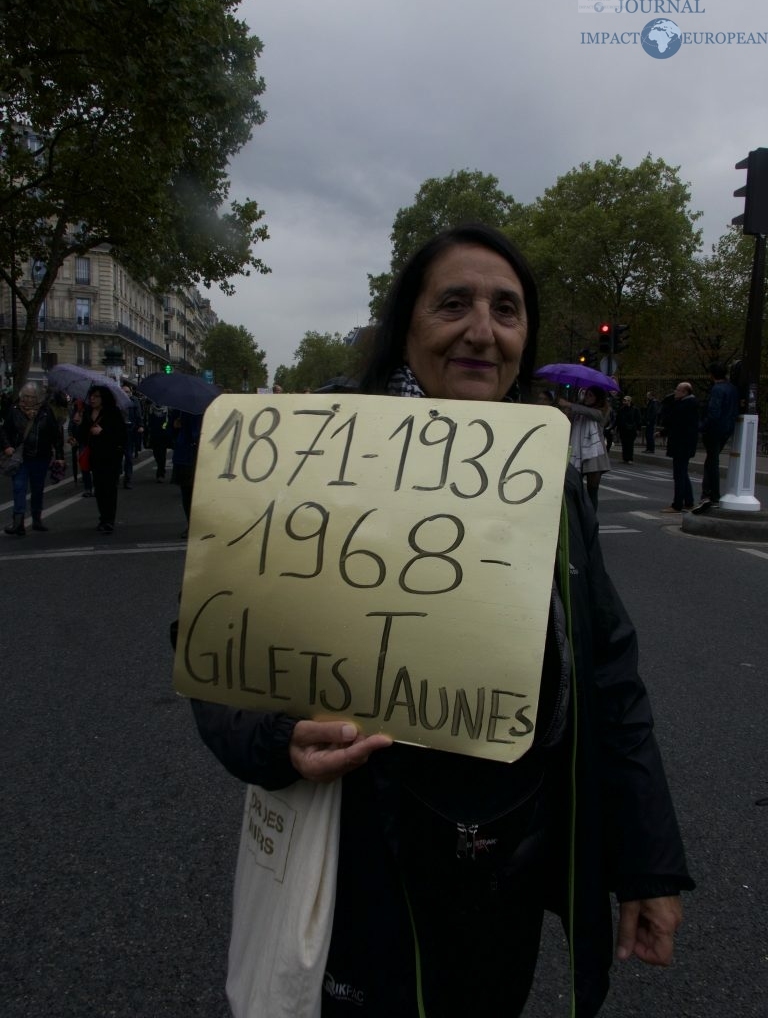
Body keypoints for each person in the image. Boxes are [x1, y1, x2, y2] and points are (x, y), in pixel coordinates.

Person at [189, 224, 693, 1018]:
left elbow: (610, 677)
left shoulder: (552, 484)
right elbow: (218, 642)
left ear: (524, 339)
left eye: (507, 310)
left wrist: (647, 865)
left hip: (507, 869)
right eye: (452, 303)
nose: (481, 331)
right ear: (407, 326)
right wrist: (275, 737)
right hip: (368, 860)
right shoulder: (314, 450)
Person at [1, 383, 65, 535]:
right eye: (25, 397)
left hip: (40, 457)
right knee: (19, 487)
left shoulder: (45, 412)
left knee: (37, 489)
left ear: (37, 398)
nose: (28, 400)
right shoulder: (14, 411)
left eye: (31, 397)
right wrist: (7, 446)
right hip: (20, 457)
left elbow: (56, 435)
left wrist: (60, 456)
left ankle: (37, 519)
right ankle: (18, 522)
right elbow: (4, 431)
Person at [558, 385, 611, 513]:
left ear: (598, 398)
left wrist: (570, 404)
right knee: (573, 487)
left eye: (590, 395)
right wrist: (567, 412)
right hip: (577, 452)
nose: (587, 397)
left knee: (593, 490)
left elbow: (593, 414)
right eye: (586, 394)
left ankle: (591, 519)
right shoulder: (578, 410)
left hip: (595, 455)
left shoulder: (601, 411)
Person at [81, 385, 126, 533]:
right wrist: (78, 424)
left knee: (110, 489)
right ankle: (103, 517)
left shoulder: (113, 412)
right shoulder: (87, 412)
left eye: (96, 396)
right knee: (99, 489)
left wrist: (103, 431)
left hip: (111, 456)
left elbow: (121, 435)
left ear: (103, 398)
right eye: (91, 396)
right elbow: (82, 434)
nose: (92, 399)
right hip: (95, 456)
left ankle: (109, 520)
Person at [696, 362, 739, 511]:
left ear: (712, 375)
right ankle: (711, 495)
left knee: (711, 462)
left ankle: (710, 495)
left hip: (715, 429)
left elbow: (714, 412)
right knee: (712, 460)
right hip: (727, 428)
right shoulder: (733, 388)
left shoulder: (717, 389)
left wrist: (702, 427)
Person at [659, 382, 699, 514]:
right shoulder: (690, 404)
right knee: (683, 473)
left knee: (679, 474)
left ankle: (677, 504)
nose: (675, 392)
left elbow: (670, 420)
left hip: (681, 444)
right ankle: (688, 501)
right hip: (685, 443)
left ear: (685, 392)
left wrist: (669, 403)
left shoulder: (684, 405)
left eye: (677, 390)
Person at [170, 409, 202, 537]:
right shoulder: (178, 411)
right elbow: (171, 435)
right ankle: (191, 524)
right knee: (187, 493)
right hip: (185, 456)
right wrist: (175, 427)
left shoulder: (208, 408)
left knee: (200, 493)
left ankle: (199, 524)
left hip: (202, 455)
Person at [120, 382, 144, 489]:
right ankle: (116, 476)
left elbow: (139, 414)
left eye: (128, 392)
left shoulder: (134, 401)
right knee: (117, 458)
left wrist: (140, 425)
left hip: (130, 432)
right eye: (124, 392)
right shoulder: (117, 402)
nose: (126, 394)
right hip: (118, 433)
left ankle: (128, 479)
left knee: (129, 458)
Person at [147, 402, 170, 481]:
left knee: (162, 454)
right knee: (156, 453)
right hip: (154, 434)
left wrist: (165, 427)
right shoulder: (151, 408)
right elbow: (149, 421)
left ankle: (160, 473)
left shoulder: (167, 409)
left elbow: (168, 421)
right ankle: (161, 468)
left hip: (164, 434)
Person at [615, 394, 642, 463]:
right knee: (624, 444)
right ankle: (625, 458)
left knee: (630, 444)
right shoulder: (621, 409)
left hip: (632, 429)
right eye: (624, 400)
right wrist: (617, 428)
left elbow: (638, 419)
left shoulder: (635, 410)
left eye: (626, 400)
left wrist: (638, 429)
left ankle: (630, 458)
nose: (624, 402)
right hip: (623, 429)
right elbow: (618, 419)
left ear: (629, 401)